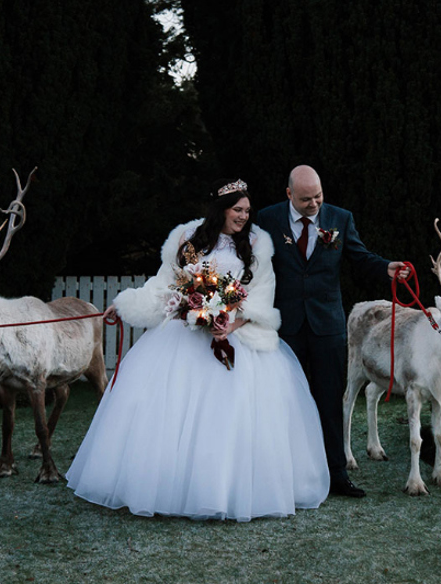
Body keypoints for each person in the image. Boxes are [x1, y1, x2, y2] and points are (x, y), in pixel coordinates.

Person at [66, 179, 330, 521]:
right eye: (238, 210)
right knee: (168, 411)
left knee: (231, 416)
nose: (243, 217)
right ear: (221, 209)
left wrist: (231, 324)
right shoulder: (189, 240)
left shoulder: (255, 244)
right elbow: (165, 282)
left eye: (247, 211)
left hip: (232, 338)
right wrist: (128, 304)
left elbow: (260, 293)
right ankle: (167, 486)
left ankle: (223, 490)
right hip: (183, 335)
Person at [256, 165, 406, 498]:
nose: (314, 204)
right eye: (306, 199)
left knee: (329, 400)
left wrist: (386, 268)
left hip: (327, 327)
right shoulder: (267, 220)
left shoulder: (340, 218)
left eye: (319, 196)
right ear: (289, 195)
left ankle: (337, 474)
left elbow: (359, 257)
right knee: (287, 401)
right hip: (286, 327)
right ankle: (288, 474)